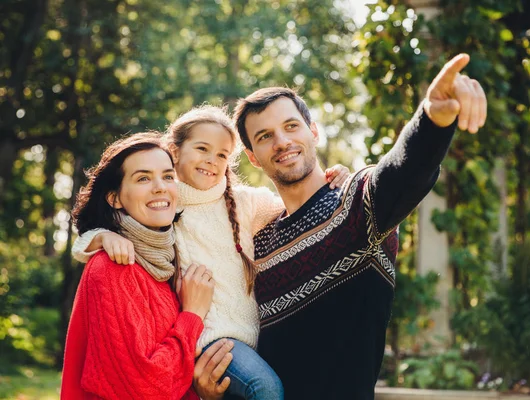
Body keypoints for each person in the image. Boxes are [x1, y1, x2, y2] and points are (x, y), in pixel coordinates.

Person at [195, 53, 487, 400]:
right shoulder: (254, 239)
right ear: (254, 158)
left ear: (313, 131)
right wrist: (212, 389)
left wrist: (433, 117)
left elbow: (403, 172)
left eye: (291, 126)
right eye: (265, 136)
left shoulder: (356, 205)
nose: (282, 142)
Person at [72, 106, 350, 400]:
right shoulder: (165, 205)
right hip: (209, 339)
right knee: (265, 389)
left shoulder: (244, 202)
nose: (212, 160)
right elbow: (113, 226)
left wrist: (334, 178)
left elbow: (298, 201)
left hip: (254, 335)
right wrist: (101, 237)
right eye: (202, 148)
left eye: (222, 154)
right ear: (174, 152)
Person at [61, 132, 214, 399]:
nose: (160, 187)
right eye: (143, 178)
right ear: (115, 198)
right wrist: (193, 315)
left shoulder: (166, 263)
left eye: (168, 176)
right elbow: (145, 388)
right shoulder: (112, 266)